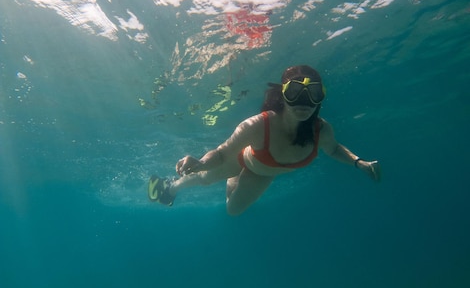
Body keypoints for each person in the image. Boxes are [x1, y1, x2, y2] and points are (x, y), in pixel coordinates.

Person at [148, 65, 381, 215]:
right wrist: (199, 162)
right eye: (295, 93)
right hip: (244, 159)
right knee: (205, 178)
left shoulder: (322, 130)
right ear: (283, 95)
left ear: (320, 98)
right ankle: (171, 187)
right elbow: (221, 153)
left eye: (314, 94)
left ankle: (230, 179)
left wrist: (359, 162)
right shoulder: (259, 125)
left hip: (264, 172)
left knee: (233, 210)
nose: (304, 102)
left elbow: (333, 149)